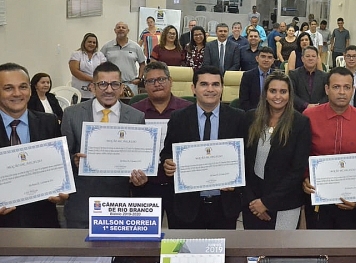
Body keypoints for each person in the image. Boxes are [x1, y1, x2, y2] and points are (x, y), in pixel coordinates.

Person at [62, 62, 147, 228]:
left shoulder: (137, 117)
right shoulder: (72, 114)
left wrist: (140, 177)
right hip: (82, 204)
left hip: (119, 205)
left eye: (115, 84)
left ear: (122, 88)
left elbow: (139, 160)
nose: (109, 90)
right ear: (92, 87)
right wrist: (75, 160)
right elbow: (63, 159)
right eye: (102, 84)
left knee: (117, 252)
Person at [161, 66, 245, 229]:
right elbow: (166, 152)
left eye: (215, 84)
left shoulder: (238, 117)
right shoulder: (178, 118)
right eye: (204, 84)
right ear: (194, 88)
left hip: (224, 205)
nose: (210, 89)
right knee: (187, 253)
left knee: (222, 254)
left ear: (222, 88)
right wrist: (167, 163)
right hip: (187, 206)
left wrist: (237, 178)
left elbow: (246, 157)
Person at [302, 67, 356, 229]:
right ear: (327, 89)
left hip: (351, 202)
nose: (342, 92)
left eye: (347, 87)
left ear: (353, 90)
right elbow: (299, 154)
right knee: (316, 246)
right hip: (317, 198)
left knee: (347, 248)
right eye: (336, 87)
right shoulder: (309, 117)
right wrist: (304, 178)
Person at [0, 63, 67, 228]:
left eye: (23, 86)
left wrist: (62, 191)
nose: (17, 93)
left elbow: (57, 169)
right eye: (8, 88)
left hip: (43, 223)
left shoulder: (49, 122)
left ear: (30, 90)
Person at [242, 72, 311, 229]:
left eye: (283, 91)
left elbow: (297, 170)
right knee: (253, 250)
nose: (277, 96)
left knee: (281, 251)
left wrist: (267, 203)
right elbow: (243, 163)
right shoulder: (250, 118)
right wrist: (254, 202)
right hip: (253, 203)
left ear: (289, 95)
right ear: (265, 93)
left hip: (286, 203)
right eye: (273, 91)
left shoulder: (300, 123)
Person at [130, 61, 192, 227]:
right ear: (144, 85)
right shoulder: (134, 112)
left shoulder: (189, 110)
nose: (156, 84)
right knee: (144, 238)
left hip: (179, 187)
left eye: (161, 79)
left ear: (170, 81)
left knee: (181, 237)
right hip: (144, 185)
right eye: (150, 81)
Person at [100, 22, 146, 94]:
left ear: (128, 31)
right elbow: (99, 63)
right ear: (115, 30)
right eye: (118, 27)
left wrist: (139, 78)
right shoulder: (107, 46)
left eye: (123, 28)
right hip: (111, 85)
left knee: (131, 104)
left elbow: (142, 64)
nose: (121, 29)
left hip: (131, 84)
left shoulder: (136, 47)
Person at [289, 46, 328, 112]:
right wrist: (306, 105)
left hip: (319, 111)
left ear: (317, 59)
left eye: (313, 56)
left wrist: (317, 106)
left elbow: (328, 95)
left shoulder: (324, 76)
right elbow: (291, 94)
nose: (310, 58)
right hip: (299, 112)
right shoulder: (294, 74)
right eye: (307, 56)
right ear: (302, 59)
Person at [69, 33, 107, 100]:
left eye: (94, 42)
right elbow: (75, 71)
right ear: (84, 42)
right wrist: (93, 79)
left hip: (96, 92)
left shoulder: (100, 55)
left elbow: (104, 70)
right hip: (80, 92)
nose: (92, 44)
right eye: (89, 42)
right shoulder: (76, 54)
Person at [239, 46, 275, 111]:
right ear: (257, 58)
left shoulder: (277, 76)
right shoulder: (248, 76)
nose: (266, 60)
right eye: (263, 56)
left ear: (273, 61)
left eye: (269, 57)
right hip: (253, 113)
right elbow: (244, 101)